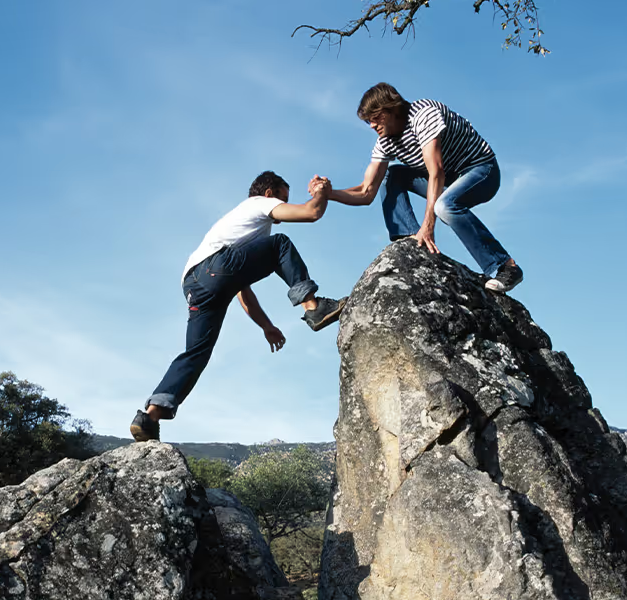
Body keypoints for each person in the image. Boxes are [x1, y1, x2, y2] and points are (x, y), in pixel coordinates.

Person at [130, 171, 346, 442]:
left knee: (196, 352)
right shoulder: (258, 204)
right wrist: (321, 192)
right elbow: (311, 212)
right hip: (213, 269)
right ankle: (313, 307)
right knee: (281, 244)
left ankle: (149, 417)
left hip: (195, 284)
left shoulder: (240, 228)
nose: (282, 209)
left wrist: (266, 326)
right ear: (269, 193)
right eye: (282, 198)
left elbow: (242, 291)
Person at [325, 82, 523, 293]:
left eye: (376, 118)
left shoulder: (423, 115)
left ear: (391, 108)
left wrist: (428, 227)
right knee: (393, 175)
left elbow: (436, 170)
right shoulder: (385, 142)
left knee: (445, 206)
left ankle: (506, 266)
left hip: (482, 170)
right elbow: (366, 191)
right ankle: (409, 239)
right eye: (368, 122)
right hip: (450, 179)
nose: (372, 125)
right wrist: (330, 194)